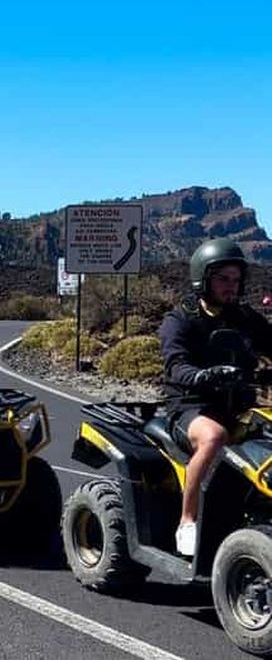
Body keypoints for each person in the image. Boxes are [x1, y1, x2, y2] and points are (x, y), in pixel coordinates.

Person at [159, 238, 272, 557]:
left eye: (236, 279)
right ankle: (188, 521)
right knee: (214, 438)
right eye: (223, 278)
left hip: (239, 405)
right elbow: (175, 364)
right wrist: (201, 376)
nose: (231, 286)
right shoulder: (180, 319)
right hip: (190, 408)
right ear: (203, 279)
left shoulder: (245, 318)